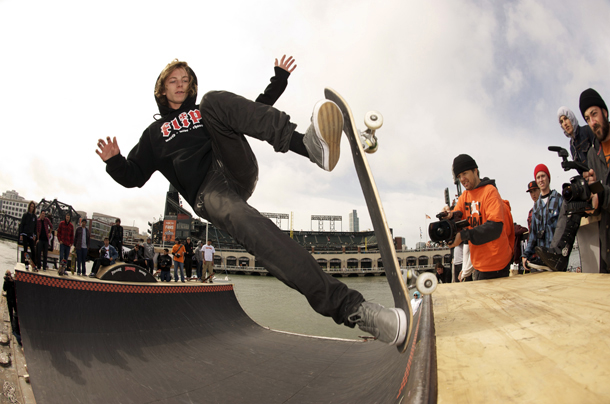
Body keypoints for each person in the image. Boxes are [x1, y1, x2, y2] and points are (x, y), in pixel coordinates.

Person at [95, 56, 406, 345]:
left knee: (216, 101)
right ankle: (358, 311)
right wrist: (114, 161)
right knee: (262, 234)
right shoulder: (154, 135)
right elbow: (133, 175)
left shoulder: (204, 109)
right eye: (173, 80)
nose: (181, 84)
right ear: (162, 90)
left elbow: (249, 113)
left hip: (235, 168)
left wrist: (278, 81)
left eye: (186, 79)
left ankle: (309, 147)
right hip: (210, 193)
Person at [445, 154, 514, 280]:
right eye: (459, 176)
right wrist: (448, 217)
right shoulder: (465, 196)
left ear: (475, 171)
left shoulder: (490, 191)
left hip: (497, 264)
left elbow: (495, 227)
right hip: (478, 265)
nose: (462, 179)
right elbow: (456, 217)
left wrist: (464, 236)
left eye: (465, 173)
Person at [579, 88, 610, 272]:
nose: (592, 122)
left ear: (605, 112)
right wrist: (591, 198)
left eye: (594, 114)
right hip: (606, 245)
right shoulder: (591, 153)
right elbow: (598, 201)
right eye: (587, 119)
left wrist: (602, 193)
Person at [522, 165, 563, 270]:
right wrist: (525, 255)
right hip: (543, 260)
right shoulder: (536, 207)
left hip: (558, 257)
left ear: (548, 177)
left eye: (543, 176)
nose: (541, 180)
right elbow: (533, 234)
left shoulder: (558, 199)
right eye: (538, 177)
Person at [557, 106, 595, 173]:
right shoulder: (572, 146)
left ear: (571, 118)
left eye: (565, 118)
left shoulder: (587, 130)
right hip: (590, 181)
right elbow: (582, 172)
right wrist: (573, 165)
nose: (564, 123)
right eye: (561, 122)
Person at [18, 201, 38, 270]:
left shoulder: (34, 217)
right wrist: (21, 233)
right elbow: (22, 224)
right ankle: (26, 264)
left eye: (33, 207)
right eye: (31, 206)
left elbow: (35, 227)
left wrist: (35, 235)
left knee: (33, 250)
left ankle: (33, 264)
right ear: (29, 207)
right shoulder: (25, 215)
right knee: (25, 250)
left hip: (31, 235)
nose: (32, 208)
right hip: (25, 234)